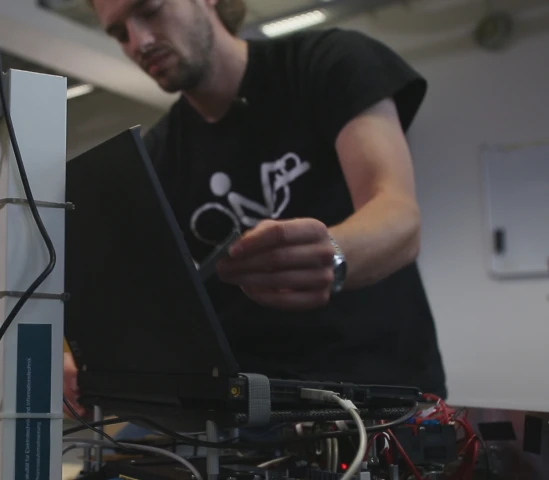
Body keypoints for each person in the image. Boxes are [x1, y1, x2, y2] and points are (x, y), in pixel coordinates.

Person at [63, 0, 447, 420]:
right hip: (249, 415)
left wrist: (334, 255)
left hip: (379, 400)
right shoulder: (158, 155)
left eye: (151, 10)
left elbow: (397, 214)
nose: (139, 41)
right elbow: (147, 302)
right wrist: (91, 366)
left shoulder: (327, 62)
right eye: (119, 34)